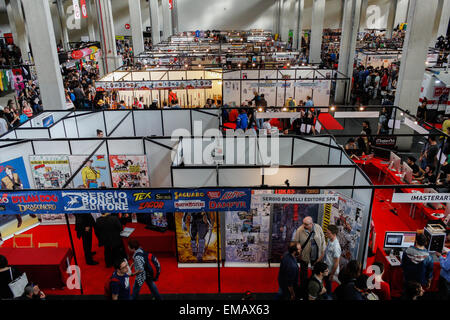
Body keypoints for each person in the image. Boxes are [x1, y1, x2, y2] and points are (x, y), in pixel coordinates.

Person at [293, 216, 326, 296]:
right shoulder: (300, 230)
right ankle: (303, 290)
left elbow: (323, 240)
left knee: (316, 273)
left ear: (311, 224)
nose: (304, 225)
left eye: (306, 224)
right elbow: (296, 243)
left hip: (316, 255)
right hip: (305, 256)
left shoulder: (318, 228)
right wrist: (298, 253)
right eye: (303, 223)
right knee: (303, 274)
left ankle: (313, 288)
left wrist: (322, 252)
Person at [320, 225, 341, 293]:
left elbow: (336, 262)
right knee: (325, 283)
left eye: (328, 233)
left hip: (330, 270)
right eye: (326, 232)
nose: (326, 234)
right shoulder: (330, 240)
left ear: (334, 234)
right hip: (326, 267)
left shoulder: (336, 247)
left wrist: (332, 274)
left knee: (328, 286)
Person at [434, 231, 450, 300]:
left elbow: (445, 266)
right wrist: (448, 253)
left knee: (443, 295)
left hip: (446, 279)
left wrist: (440, 256)